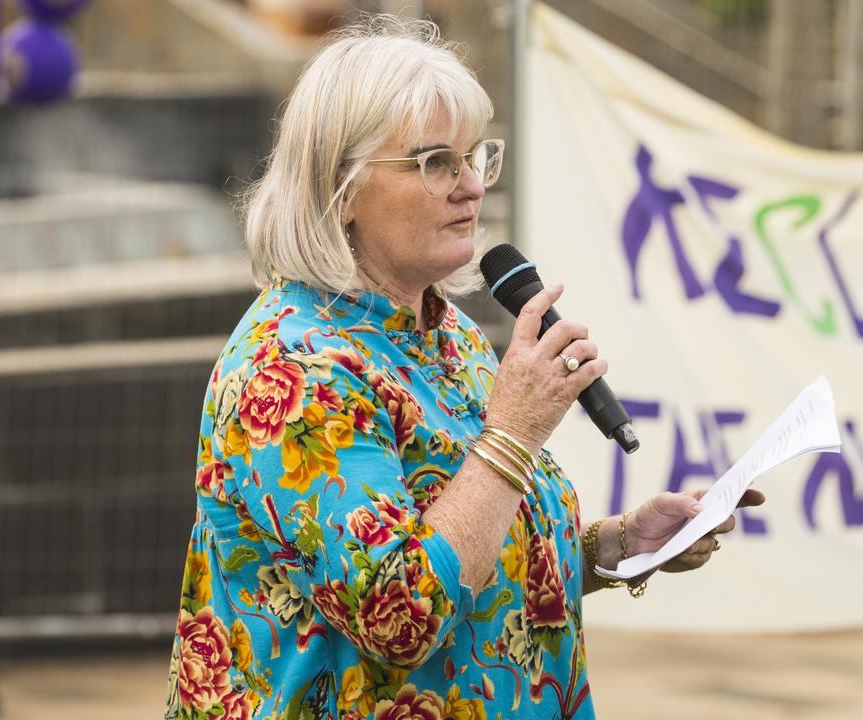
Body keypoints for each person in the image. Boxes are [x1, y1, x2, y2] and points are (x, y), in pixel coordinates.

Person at [165, 15, 764, 720]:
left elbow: (478, 553)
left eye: (476, 157)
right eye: (435, 163)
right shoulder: (293, 368)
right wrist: (512, 430)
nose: (471, 186)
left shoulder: (444, 333)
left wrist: (621, 545)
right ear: (343, 189)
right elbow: (399, 614)